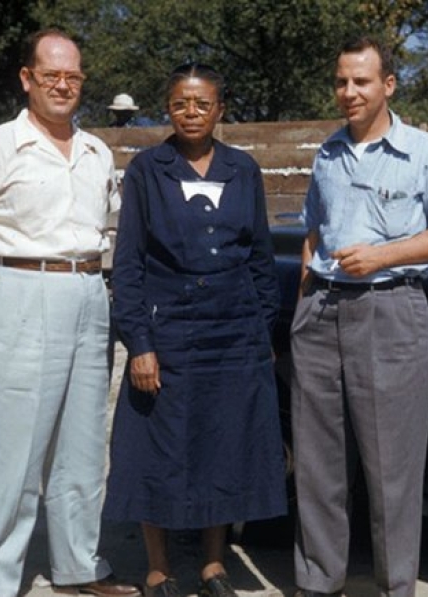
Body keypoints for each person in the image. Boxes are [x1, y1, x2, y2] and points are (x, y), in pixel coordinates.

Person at [0, 29, 140, 597]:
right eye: (50, 74)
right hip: (18, 289)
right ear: (27, 78)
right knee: (15, 446)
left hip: (85, 292)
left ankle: (80, 565)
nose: (62, 84)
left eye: (73, 76)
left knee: (81, 443)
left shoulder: (96, 151)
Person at [290, 36, 428, 597]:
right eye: (342, 81)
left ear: (388, 85)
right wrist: (304, 298)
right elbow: (314, 230)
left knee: (392, 472)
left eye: (362, 82)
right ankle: (320, 582)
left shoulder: (424, 152)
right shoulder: (328, 153)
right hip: (321, 313)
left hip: (391, 312)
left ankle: (395, 587)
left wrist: (382, 256)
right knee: (319, 467)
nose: (349, 92)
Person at [102, 63, 287, 597]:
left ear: (219, 110)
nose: (191, 112)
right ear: (168, 108)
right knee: (155, 446)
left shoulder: (242, 170)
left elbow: (258, 256)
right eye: (181, 103)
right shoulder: (146, 171)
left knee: (222, 445)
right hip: (168, 334)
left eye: (202, 104)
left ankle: (212, 563)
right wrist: (140, 343)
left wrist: (261, 329)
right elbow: (130, 264)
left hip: (234, 336)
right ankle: (158, 565)